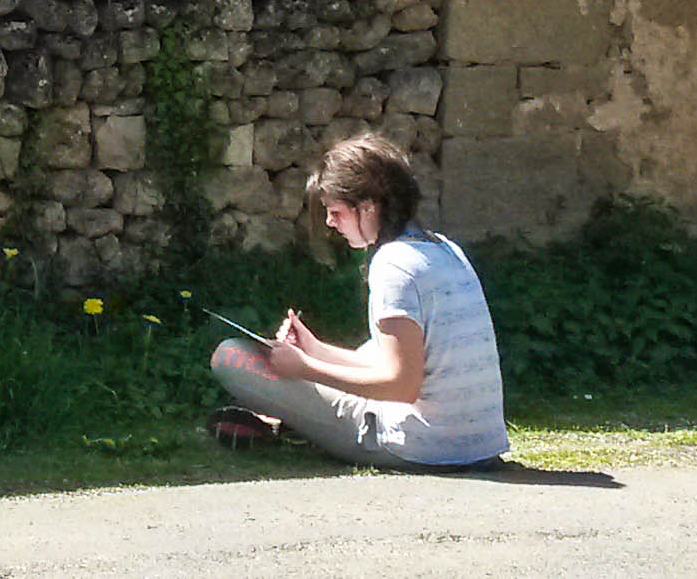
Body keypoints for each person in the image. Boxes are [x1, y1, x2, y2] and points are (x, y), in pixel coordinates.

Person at [206, 132, 510, 468]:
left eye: (336, 212)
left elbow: (401, 386)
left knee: (229, 356)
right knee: (370, 349)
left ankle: (285, 423)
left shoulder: (393, 265)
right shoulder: (445, 248)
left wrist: (306, 368)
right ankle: (290, 422)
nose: (330, 222)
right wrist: (315, 349)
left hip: (420, 447)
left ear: (368, 206)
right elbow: (399, 364)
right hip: (479, 446)